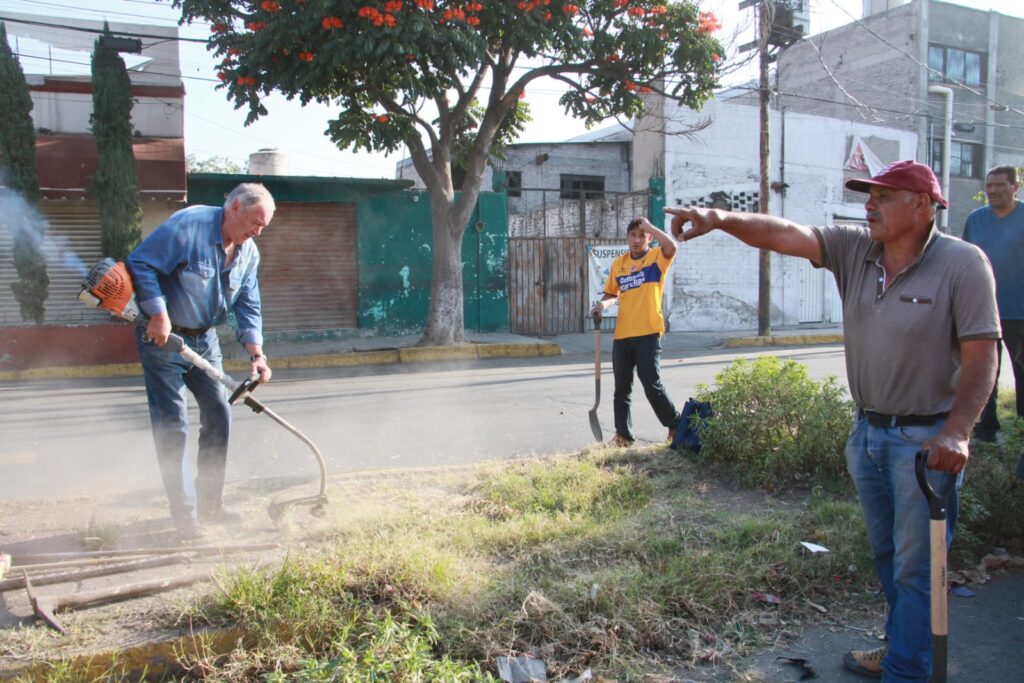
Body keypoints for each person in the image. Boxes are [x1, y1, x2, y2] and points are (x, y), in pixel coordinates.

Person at [665, 160, 999, 682]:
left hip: (924, 440)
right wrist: (717, 217)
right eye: (868, 196)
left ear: (922, 204)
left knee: (918, 569)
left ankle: (906, 671)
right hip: (867, 434)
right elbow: (786, 234)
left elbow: (982, 357)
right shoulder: (856, 250)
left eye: (883, 196)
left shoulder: (962, 263)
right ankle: (901, 650)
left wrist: (957, 431)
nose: (869, 205)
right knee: (889, 556)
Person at [126, 183, 275, 541]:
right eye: (255, 222)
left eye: (263, 227)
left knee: (219, 415)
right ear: (235, 207)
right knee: (174, 426)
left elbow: (248, 303)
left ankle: (211, 505)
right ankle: (184, 517)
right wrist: (158, 314)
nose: (257, 231)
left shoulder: (248, 252)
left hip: (204, 341)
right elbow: (141, 263)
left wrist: (257, 354)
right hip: (163, 340)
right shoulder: (188, 225)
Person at [591, 216, 680, 447]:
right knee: (621, 389)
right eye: (633, 235)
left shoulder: (657, 258)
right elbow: (612, 294)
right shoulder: (619, 264)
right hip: (623, 335)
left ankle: (675, 424)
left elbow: (671, 246)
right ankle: (623, 436)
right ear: (627, 238)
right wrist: (602, 305)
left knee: (651, 383)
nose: (637, 239)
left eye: (642, 235)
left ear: (649, 238)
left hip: (649, 332)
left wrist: (649, 226)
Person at [962, 165, 1024, 443]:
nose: (993, 191)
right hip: (983, 312)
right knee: (983, 374)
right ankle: (986, 431)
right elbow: (963, 262)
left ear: (1016, 187)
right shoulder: (976, 219)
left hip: (1020, 313)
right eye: (989, 186)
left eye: (1000, 185)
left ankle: (1022, 433)